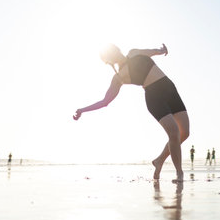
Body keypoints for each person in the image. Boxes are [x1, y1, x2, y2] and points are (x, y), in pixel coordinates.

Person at [73, 44, 189, 182]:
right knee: (174, 131)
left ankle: (159, 160)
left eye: (113, 51)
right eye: (109, 56)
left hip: (170, 89)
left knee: (184, 133)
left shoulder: (133, 53)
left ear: (117, 49)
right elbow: (105, 101)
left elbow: (151, 51)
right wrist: (82, 110)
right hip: (155, 98)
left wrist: (161, 51)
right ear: (108, 61)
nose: (114, 54)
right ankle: (179, 173)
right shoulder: (118, 77)